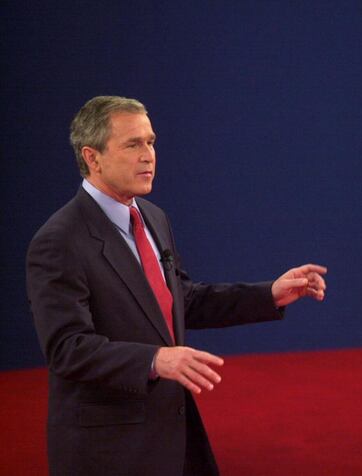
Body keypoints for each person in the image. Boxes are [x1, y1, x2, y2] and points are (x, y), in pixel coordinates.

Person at [26, 95, 327, 476]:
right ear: (92, 157)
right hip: (110, 450)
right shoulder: (59, 240)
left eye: (151, 142)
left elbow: (179, 300)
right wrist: (154, 359)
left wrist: (268, 294)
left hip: (172, 434)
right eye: (133, 144)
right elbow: (67, 348)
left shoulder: (153, 217)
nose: (148, 155)